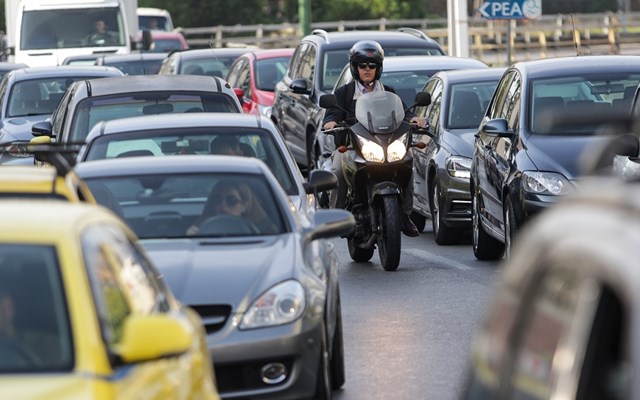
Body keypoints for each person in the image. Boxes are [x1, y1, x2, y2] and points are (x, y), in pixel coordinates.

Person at [322, 40, 426, 237]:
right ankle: (337, 217)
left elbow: (403, 113)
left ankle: (404, 214)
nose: (367, 69)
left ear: (379, 68)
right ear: (355, 68)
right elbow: (332, 114)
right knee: (336, 170)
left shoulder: (388, 92)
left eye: (372, 66)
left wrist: (415, 119)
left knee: (407, 162)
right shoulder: (344, 93)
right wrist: (331, 122)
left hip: (386, 145)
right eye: (362, 65)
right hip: (352, 147)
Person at [186, 181, 277, 236]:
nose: (223, 204)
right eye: (217, 200)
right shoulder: (199, 231)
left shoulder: (270, 235)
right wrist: (191, 240)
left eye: (231, 200)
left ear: (245, 205)